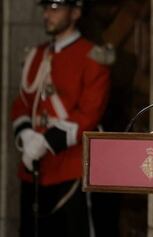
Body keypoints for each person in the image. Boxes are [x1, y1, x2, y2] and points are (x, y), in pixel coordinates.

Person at [11, 0, 110, 236]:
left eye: (55, 8)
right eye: (46, 8)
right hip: (33, 167)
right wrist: (26, 135)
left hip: (71, 168)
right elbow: (21, 104)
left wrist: (45, 142)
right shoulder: (36, 55)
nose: (47, 14)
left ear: (75, 12)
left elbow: (89, 113)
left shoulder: (92, 57)